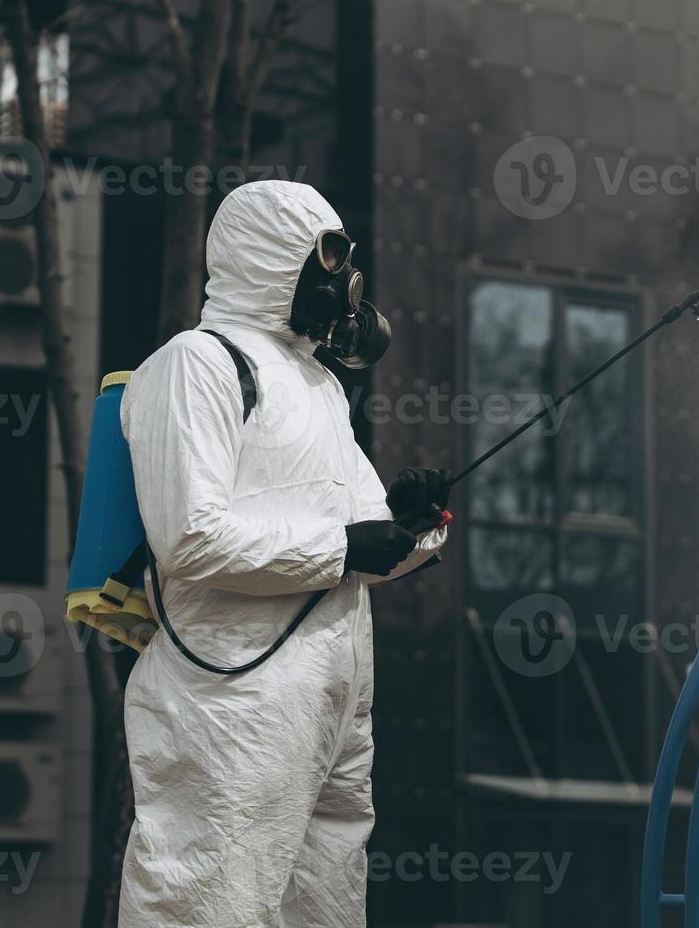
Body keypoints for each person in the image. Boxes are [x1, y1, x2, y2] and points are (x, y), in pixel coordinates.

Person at [117, 180, 448, 927]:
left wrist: (413, 526)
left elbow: (365, 546)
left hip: (334, 701)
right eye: (326, 260)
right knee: (209, 901)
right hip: (232, 704)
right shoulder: (197, 363)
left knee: (322, 908)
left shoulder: (321, 387)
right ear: (269, 258)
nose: (342, 283)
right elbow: (188, 537)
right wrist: (340, 545)